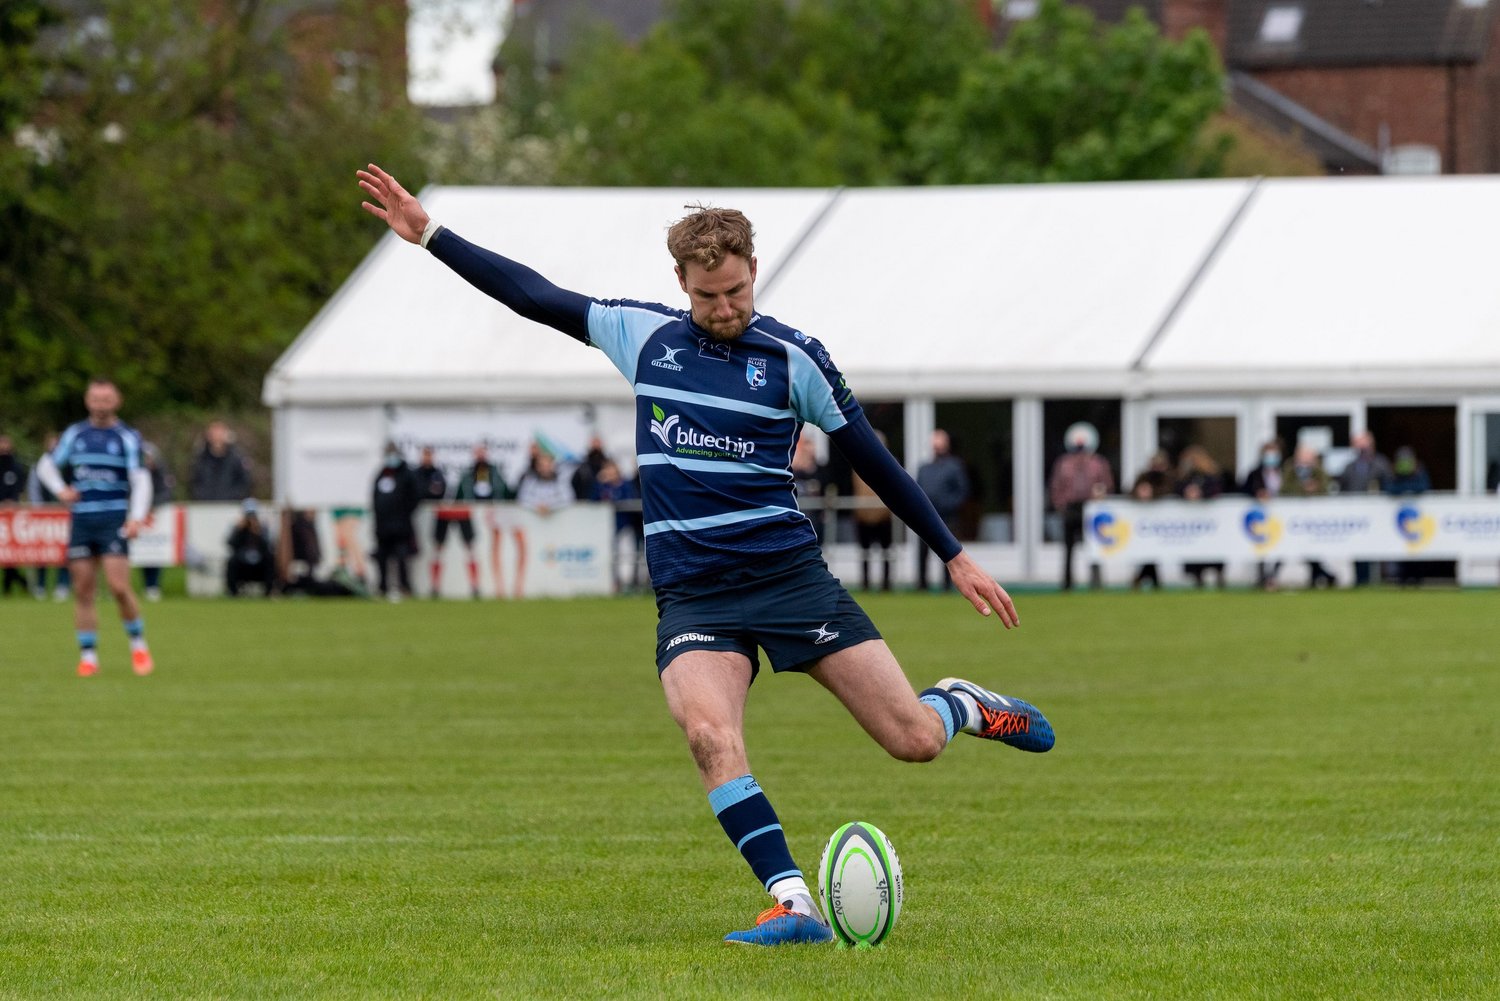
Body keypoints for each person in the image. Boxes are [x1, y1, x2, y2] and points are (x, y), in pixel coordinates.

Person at [358, 163, 1054, 946]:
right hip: (694, 594)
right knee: (708, 736)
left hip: (790, 580)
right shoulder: (642, 336)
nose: (722, 309)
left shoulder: (796, 359)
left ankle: (958, 703)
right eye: (706, 296)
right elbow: (534, 294)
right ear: (680, 282)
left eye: (735, 292)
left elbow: (874, 459)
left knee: (913, 742)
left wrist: (953, 554)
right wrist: (432, 236)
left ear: (755, 270)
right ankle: (793, 904)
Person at [33, 378, 154, 676]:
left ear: (117, 401)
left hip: (113, 519)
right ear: (88, 401)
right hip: (83, 519)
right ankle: (88, 656)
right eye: (95, 399)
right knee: (83, 590)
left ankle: (138, 644)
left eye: (106, 399)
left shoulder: (127, 437)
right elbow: (45, 466)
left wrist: (136, 517)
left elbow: (141, 479)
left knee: (118, 587)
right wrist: (61, 490)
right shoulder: (75, 434)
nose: (101, 405)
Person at [1047, 421, 1113, 591]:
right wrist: (1061, 505)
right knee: (1069, 547)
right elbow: (1056, 486)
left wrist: (1101, 497)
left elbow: (1107, 484)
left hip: (1090, 508)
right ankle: (1067, 583)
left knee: (1094, 546)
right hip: (1071, 507)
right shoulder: (1064, 463)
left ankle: (1096, 582)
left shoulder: (1098, 463)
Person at [914, 429, 969, 591]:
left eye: (940, 442)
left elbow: (962, 491)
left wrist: (948, 505)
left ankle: (947, 585)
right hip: (926, 517)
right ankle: (922, 584)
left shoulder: (955, 466)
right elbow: (917, 489)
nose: (937, 446)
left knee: (949, 552)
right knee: (923, 552)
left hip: (948, 517)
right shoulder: (924, 468)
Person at [1338, 431, 1394, 586]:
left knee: (1375, 548)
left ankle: (1377, 579)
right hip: (1356, 516)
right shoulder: (1349, 466)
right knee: (1357, 549)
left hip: (1377, 515)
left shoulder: (1380, 463)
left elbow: (1388, 483)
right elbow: (1342, 488)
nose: (1361, 447)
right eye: (1358, 443)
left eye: (1364, 443)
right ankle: (1360, 581)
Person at [1281, 444, 1338, 588]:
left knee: (1312, 551)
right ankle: (1325, 576)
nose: (1305, 463)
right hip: (1292, 519)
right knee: (1287, 549)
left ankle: (1320, 577)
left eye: (1308, 460)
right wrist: (1303, 489)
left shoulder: (1319, 472)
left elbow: (1327, 488)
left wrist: (1316, 488)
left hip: (1315, 519)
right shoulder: (1290, 471)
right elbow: (1283, 490)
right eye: (1302, 459)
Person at [371, 441, 420, 601]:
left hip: (401, 526)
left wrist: (403, 514)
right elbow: (375, 498)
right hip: (383, 527)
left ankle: (404, 587)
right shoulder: (381, 474)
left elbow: (415, 497)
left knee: (402, 557)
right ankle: (382, 588)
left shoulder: (407, 474)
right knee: (382, 558)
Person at [27, 432, 71, 600]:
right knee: (42, 551)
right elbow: (34, 488)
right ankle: (40, 586)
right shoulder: (41, 463)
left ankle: (63, 585)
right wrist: (39, 508)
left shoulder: (70, 463)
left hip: (65, 514)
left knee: (65, 552)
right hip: (45, 514)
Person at [1175, 445, 1226, 589]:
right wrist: (1186, 492)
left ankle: (1218, 575)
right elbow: (1177, 488)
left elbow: (1218, 489)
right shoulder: (1184, 477)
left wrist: (1202, 493)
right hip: (1191, 521)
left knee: (1213, 548)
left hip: (1210, 519)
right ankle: (1197, 577)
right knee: (1193, 549)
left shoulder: (1212, 476)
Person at [852, 430, 894, 592]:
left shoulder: (889, 464)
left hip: (884, 515)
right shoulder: (857, 463)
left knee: (886, 552)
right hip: (863, 515)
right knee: (864, 552)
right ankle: (865, 582)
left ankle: (886, 583)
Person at [1242, 439, 1285, 591]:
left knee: (1280, 547)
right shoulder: (1255, 473)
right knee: (1261, 547)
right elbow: (1244, 489)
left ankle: (1272, 577)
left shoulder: (1284, 472)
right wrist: (1257, 493)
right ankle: (1262, 578)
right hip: (1260, 516)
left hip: (1280, 517)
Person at [1386, 446, 1432, 587]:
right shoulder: (1393, 473)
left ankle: (1417, 577)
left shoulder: (1419, 471)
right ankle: (1403, 577)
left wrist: (1407, 489)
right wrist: (1406, 489)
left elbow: (1424, 486)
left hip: (1416, 518)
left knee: (1416, 550)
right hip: (1402, 518)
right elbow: (1389, 488)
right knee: (1401, 549)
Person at [138, 441, 174, 601]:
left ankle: (153, 585)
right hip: (137, 517)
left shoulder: (161, 473)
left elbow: (167, 492)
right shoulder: (135, 472)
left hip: (156, 517)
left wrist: (152, 505)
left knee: (155, 552)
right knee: (137, 553)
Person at [189, 420, 253, 501]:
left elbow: (245, 483)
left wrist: (232, 497)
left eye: (220, 435)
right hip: (206, 507)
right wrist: (203, 498)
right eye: (214, 435)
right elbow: (194, 483)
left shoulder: (237, 458)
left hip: (231, 506)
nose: (217, 438)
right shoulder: (200, 459)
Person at [0, 433, 30, 596]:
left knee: (10, 553)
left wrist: (12, 502)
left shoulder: (16, 467)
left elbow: (20, 487)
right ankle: (17, 582)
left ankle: (9, 585)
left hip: (13, 516)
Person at [225, 499, 275, 596]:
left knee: (270, 559)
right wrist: (239, 531)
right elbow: (231, 544)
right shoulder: (237, 527)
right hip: (242, 563)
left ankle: (268, 591)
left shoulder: (263, 527)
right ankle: (233, 592)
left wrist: (258, 533)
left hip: (259, 565)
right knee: (232, 561)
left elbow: (268, 546)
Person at [790, 432, 830, 546]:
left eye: (811, 446)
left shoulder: (820, 471)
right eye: (806, 446)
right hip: (799, 517)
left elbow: (825, 491)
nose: (809, 449)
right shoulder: (795, 472)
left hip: (816, 518)